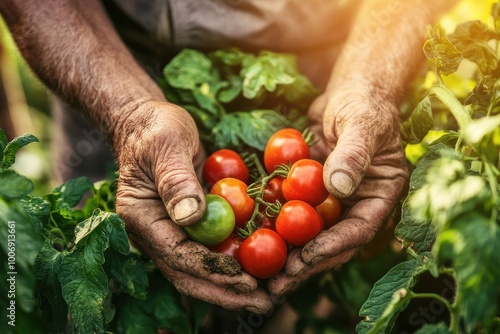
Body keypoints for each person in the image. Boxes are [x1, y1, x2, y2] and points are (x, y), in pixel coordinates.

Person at [0, 0, 458, 314]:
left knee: (321, 291)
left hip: (342, 53)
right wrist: (128, 115)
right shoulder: (276, 187)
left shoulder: (267, 187)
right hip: (106, 59)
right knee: (118, 282)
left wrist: (373, 81)